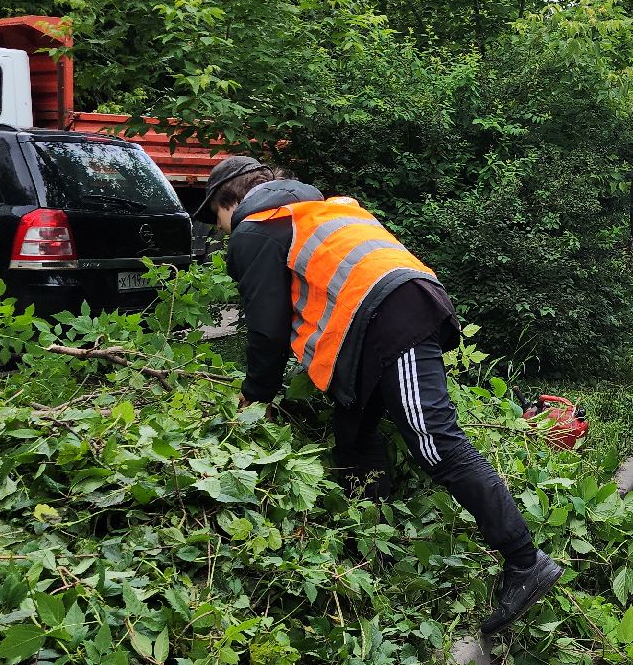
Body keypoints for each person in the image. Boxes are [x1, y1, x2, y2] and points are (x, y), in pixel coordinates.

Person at [202, 155, 562, 636]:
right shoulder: (319, 209)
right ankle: (376, 550)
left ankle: (524, 560)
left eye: (218, 220)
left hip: (392, 318)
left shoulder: (256, 227)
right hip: (377, 322)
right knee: (353, 437)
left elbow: (265, 331)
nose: (224, 231)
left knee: (434, 441)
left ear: (230, 203)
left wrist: (255, 399)